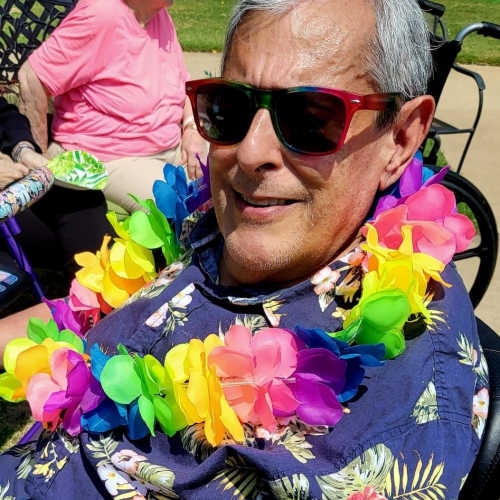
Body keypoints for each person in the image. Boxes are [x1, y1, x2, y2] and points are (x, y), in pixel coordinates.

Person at [0, 0, 487, 498]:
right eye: (228, 108)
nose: (250, 153)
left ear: (401, 137)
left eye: (310, 117)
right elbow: (87, 311)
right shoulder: (216, 220)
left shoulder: (386, 414)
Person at [17, 0, 209, 214]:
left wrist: (192, 129)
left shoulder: (159, 14)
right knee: (186, 206)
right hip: (109, 157)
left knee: (227, 178)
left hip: (169, 147)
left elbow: (183, 87)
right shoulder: (102, 13)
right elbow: (31, 77)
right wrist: (37, 155)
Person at [0, 97, 112, 285]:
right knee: (76, 233)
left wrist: (23, 151)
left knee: (81, 198)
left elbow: (5, 116)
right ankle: (96, 301)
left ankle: (105, 299)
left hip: (11, 188)